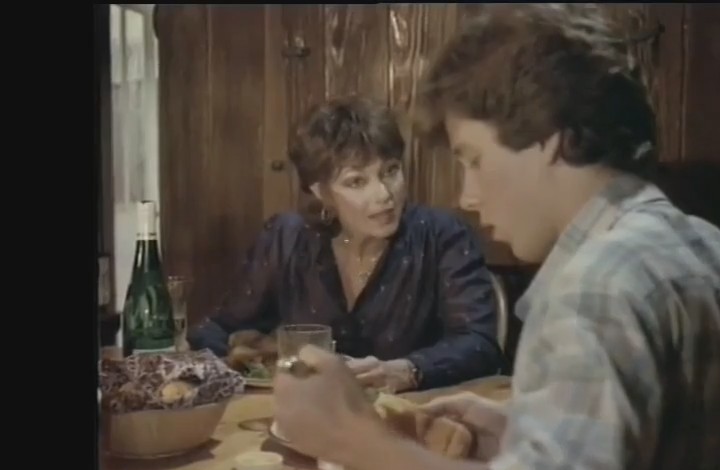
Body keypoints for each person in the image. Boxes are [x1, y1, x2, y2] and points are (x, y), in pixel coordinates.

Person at [271, 4, 720, 470]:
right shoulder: (702, 241)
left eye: (474, 159)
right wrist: (523, 430)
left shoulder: (595, 287)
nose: (467, 196)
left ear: (549, 138)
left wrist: (351, 439)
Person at [187, 95, 503, 392]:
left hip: (406, 417)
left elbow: (479, 344)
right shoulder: (286, 238)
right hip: (307, 415)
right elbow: (216, 330)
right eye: (356, 181)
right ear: (321, 192)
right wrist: (245, 358)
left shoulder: (442, 235)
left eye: (390, 171)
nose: (384, 195)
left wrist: (407, 370)